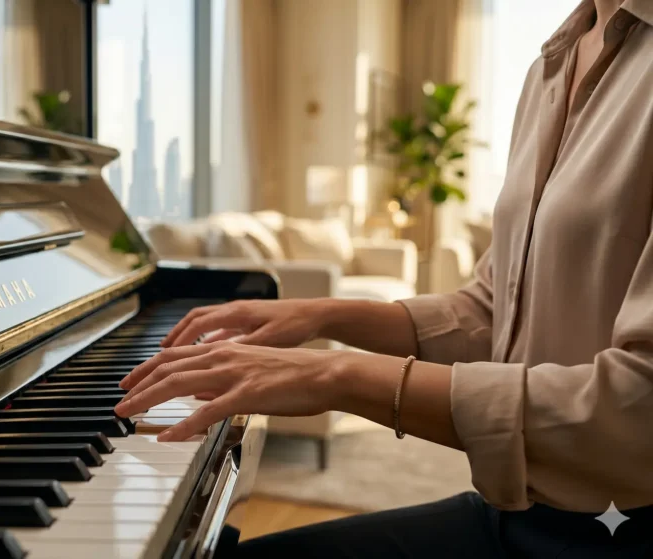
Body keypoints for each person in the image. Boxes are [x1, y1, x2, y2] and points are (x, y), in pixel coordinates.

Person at [114, 0, 653, 556]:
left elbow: (639, 408)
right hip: (522, 509)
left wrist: (339, 374)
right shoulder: (553, 61)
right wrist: (320, 314)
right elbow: (495, 310)